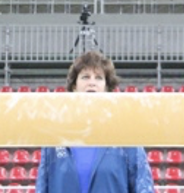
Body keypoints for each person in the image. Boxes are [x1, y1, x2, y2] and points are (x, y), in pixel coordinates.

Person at [36, 51, 155, 193]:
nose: (92, 83)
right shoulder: (55, 136)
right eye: (85, 77)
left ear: (106, 88)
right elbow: (42, 187)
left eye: (98, 78)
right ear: (74, 86)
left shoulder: (125, 135)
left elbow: (143, 186)